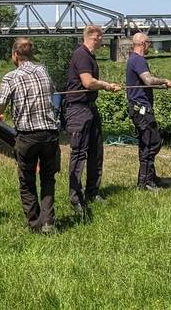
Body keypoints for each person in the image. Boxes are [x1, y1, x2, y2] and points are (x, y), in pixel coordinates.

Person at [0, 37, 60, 234]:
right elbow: (52, 91)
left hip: (27, 136)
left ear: (15, 55)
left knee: (27, 181)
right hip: (49, 133)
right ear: (31, 54)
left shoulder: (10, 77)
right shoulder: (43, 70)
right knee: (48, 178)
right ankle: (48, 222)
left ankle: (34, 224)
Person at [63, 25, 123, 216]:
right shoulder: (81, 55)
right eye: (101, 37)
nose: (103, 41)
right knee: (79, 154)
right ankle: (75, 197)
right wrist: (107, 85)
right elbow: (88, 82)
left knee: (96, 152)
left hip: (90, 108)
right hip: (78, 109)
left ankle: (92, 192)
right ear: (94, 37)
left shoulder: (89, 55)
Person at [125, 32, 171, 191]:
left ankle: (149, 178)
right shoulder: (138, 60)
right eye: (149, 43)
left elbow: (147, 84)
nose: (150, 45)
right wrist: (165, 80)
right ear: (143, 43)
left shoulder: (133, 59)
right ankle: (145, 183)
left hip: (139, 109)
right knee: (152, 143)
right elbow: (149, 80)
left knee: (148, 142)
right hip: (142, 110)